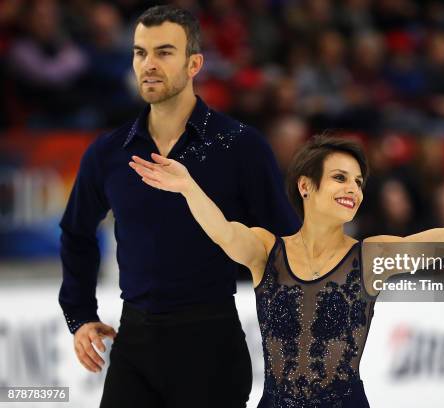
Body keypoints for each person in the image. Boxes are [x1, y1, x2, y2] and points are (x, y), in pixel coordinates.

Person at [129, 135, 444, 407]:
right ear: (306, 186)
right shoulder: (267, 250)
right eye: (341, 178)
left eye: (359, 182)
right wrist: (188, 187)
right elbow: (225, 232)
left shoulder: (371, 258)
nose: (354, 189)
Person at [58, 5, 299, 408]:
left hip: (211, 343)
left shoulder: (239, 146)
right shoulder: (110, 152)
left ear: (194, 64)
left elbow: (287, 242)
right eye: (140, 53)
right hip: (134, 343)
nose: (149, 64)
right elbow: (76, 231)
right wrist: (79, 314)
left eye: (164, 52)